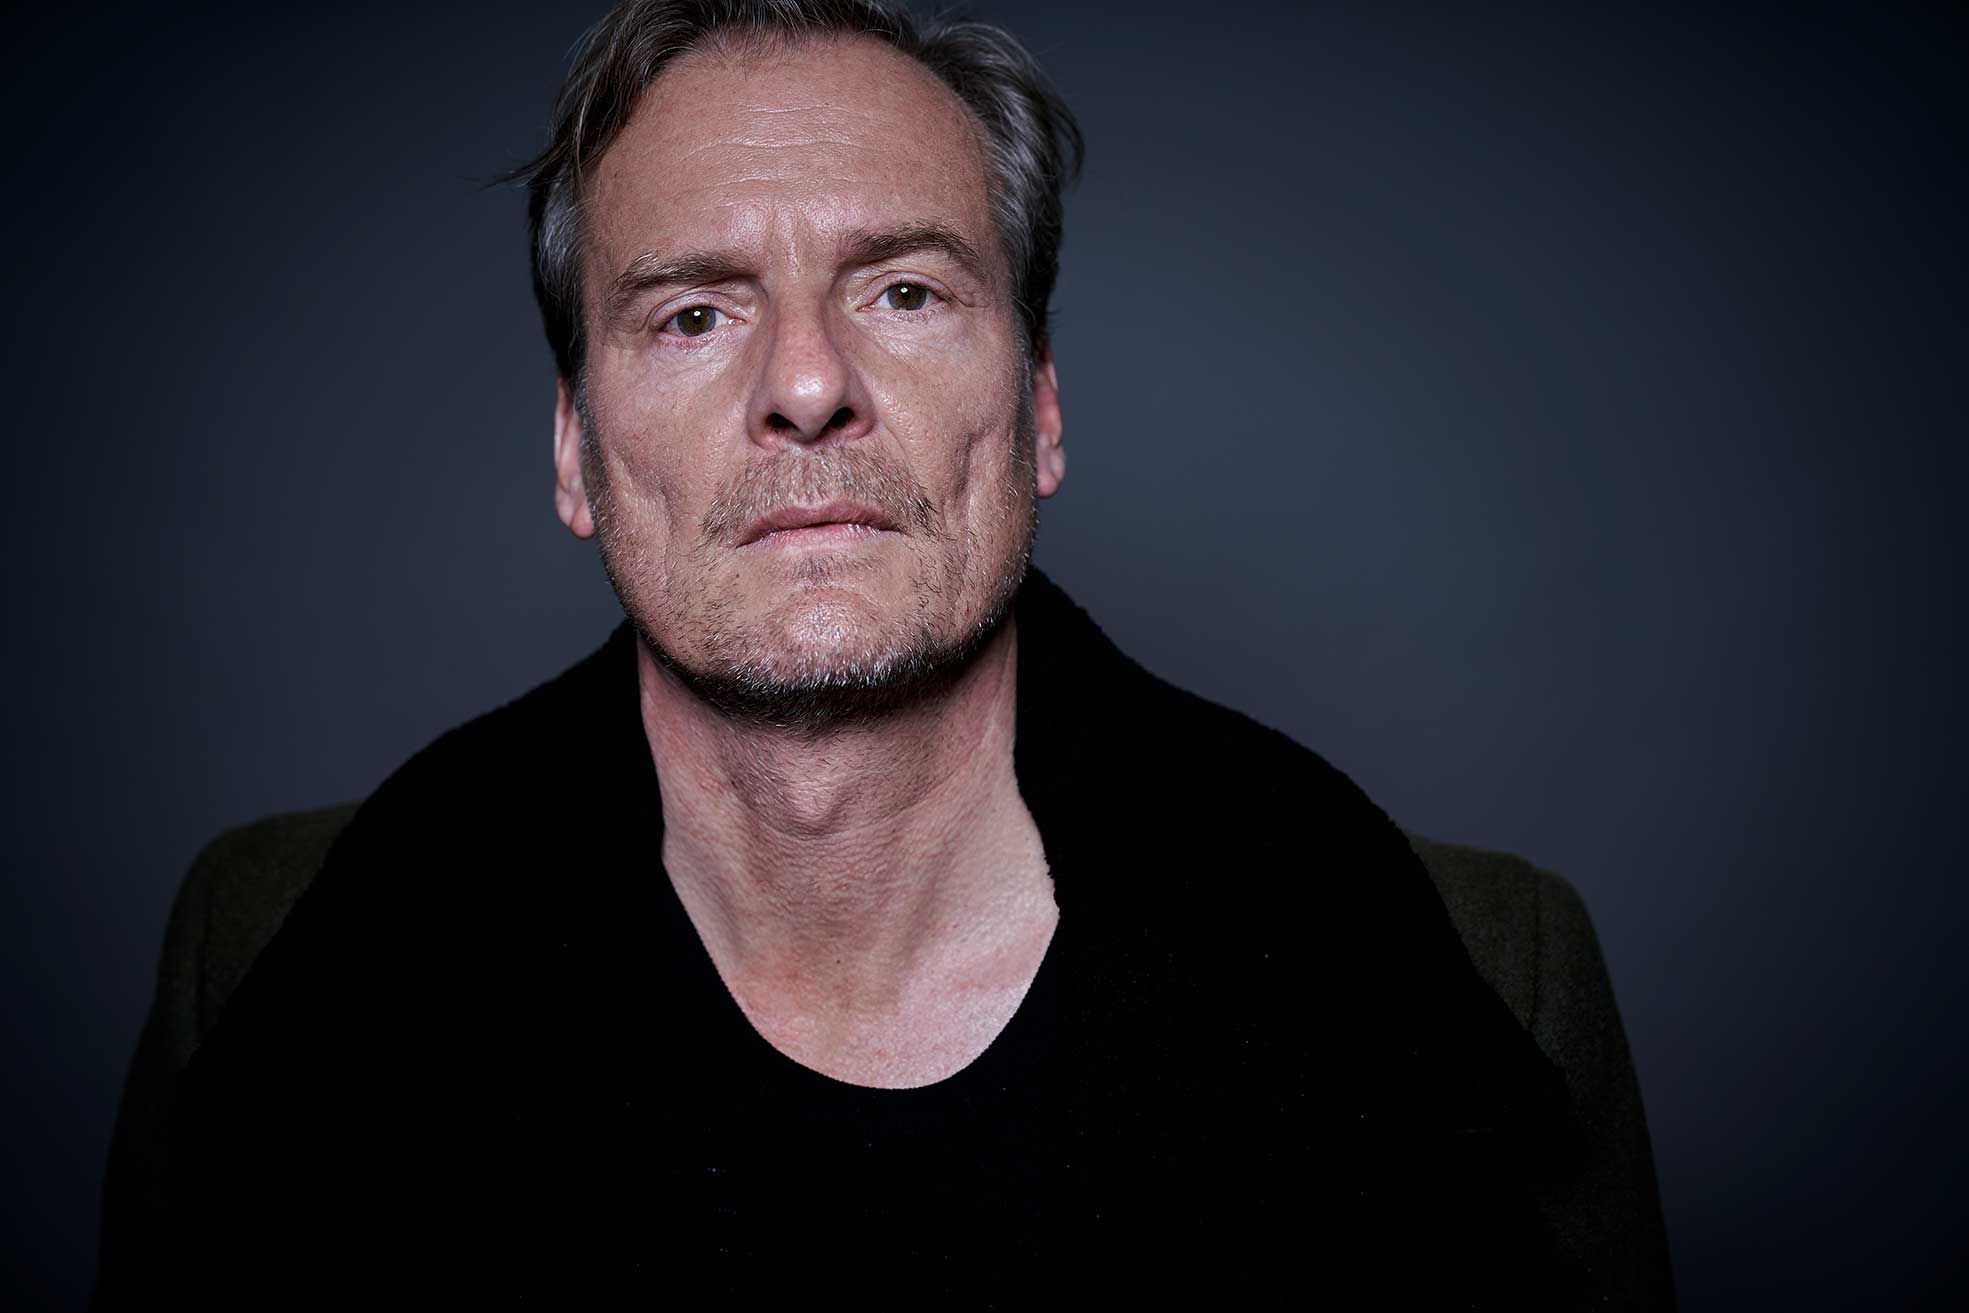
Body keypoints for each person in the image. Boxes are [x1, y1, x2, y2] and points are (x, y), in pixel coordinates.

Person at [92, 1, 1673, 1305]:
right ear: (574, 451)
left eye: (904, 292)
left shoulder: (1464, 974)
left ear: (1037, 410)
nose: (806, 386)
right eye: (694, 314)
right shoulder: (284, 961)